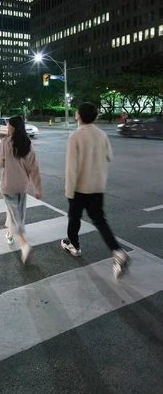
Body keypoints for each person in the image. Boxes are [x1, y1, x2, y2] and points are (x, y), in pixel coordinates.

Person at [62, 102, 129, 278]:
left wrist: (69, 191)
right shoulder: (102, 134)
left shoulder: (75, 136)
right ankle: (117, 251)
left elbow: (71, 168)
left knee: (74, 218)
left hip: (79, 188)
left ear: (79, 115)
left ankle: (74, 246)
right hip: (97, 187)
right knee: (100, 221)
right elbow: (109, 156)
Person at [0, 115, 42, 264]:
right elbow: (33, 168)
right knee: (16, 213)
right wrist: (38, 188)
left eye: (9, 125)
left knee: (15, 214)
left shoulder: (4, 142)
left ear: (13, 127)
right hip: (22, 184)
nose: (7, 127)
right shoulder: (27, 143)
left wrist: (3, 154)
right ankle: (10, 233)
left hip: (8, 184)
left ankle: (23, 244)